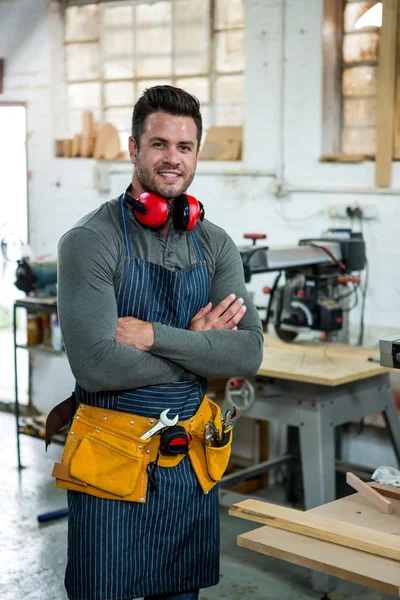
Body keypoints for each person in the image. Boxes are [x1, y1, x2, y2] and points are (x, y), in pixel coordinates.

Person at [56, 85, 263, 600]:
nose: (173, 158)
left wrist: (153, 337)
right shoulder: (91, 241)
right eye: (159, 144)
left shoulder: (214, 243)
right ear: (133, 148)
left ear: (196, 154)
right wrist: (198, 352)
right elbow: (98, 366)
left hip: (188, 461)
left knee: (181, 594)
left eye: (185, 147)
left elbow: (248, 351)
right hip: (110, 459)